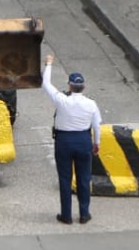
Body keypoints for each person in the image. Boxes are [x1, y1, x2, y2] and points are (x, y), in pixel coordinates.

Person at [42, 53, 101, 226]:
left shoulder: (62, 100)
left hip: (64, 142)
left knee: (65, 179)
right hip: (83, 140)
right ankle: (84, 213)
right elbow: (97, 127)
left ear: (69, 85)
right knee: (83, 179)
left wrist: (49, 63)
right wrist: (96, 143)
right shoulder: (91, 104)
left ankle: (66, 215)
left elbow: (46, 83)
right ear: (84, 87)